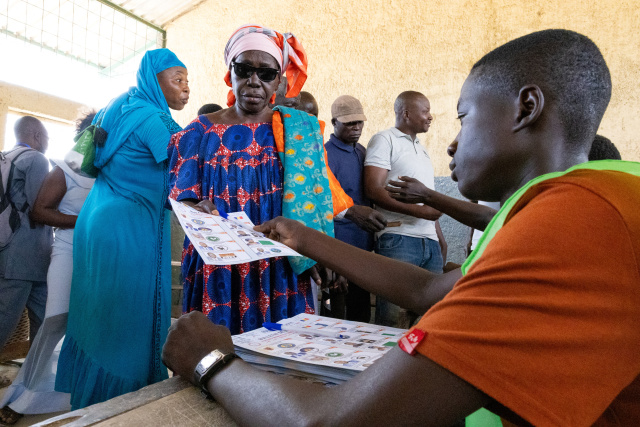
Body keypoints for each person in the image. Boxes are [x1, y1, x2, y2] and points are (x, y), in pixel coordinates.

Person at [163, 29, 640, 425]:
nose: (451, 144)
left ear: (526, 107)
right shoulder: (597, 193)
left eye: (463, 118)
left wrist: (212, 360)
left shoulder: (575, 225)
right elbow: (433, 290)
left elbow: (329, 422)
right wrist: (306, 237)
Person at [168, 24, 385, 335]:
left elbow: (317, 195)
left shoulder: (297, 131)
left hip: (281, 264)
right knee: (218, 355)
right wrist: (195, 208)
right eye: (244, 69)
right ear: (231, 73)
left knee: (280, 357)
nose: (254, 81)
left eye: (266, 74)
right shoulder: (199, 131)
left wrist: (322, 251)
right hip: (219, 268)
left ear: (280, 80)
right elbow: (181, 196)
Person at [55, 48, 189, 410]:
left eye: (187, 80)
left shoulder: (117, 107)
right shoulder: (153, 118)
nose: (186, 88)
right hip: (130, 233)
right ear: (154, 80)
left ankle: (89, 404)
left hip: (96, 223)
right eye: (177, 79)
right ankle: (117, 408)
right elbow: (187, 167)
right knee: (127, 330)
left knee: (96, 319)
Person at [0, 112, 96, 425]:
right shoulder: (53, 163)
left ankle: (60, 386)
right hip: (46, 253)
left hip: (86, 258)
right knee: (39, 324)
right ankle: (22, 395)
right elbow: (39, 211)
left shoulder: (5, 157)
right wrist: (88, 222)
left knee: (69, 326)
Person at [364, 91, 446, 328]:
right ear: (407, 114)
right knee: (390, 318)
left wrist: (439, 238)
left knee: (430, 317)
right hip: (398, 238)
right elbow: (373, 189)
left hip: (429, 243)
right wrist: (422, 213)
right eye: (426, 111)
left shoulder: (422, 148)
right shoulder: (384, 139)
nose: (430, 117)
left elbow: (427, 200)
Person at [0, 116, 52, 351]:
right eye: (47, 138)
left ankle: (35, 375)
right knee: (6, 321)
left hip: (15, 252)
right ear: (37, 136)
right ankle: (37, 376)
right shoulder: (36, 159)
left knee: (45, 320)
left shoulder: (6, 157)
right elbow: (40, 209)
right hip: (24, 256)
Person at [323, 95, 374, 322]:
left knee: (361, 310)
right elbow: (324, 203)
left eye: (359, 123)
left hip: (363, 244)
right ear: (334, 123)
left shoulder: (362, 151)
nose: (356, 128)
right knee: (339, 313)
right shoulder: (325, 154)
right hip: (339, 244)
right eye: (349, 123)